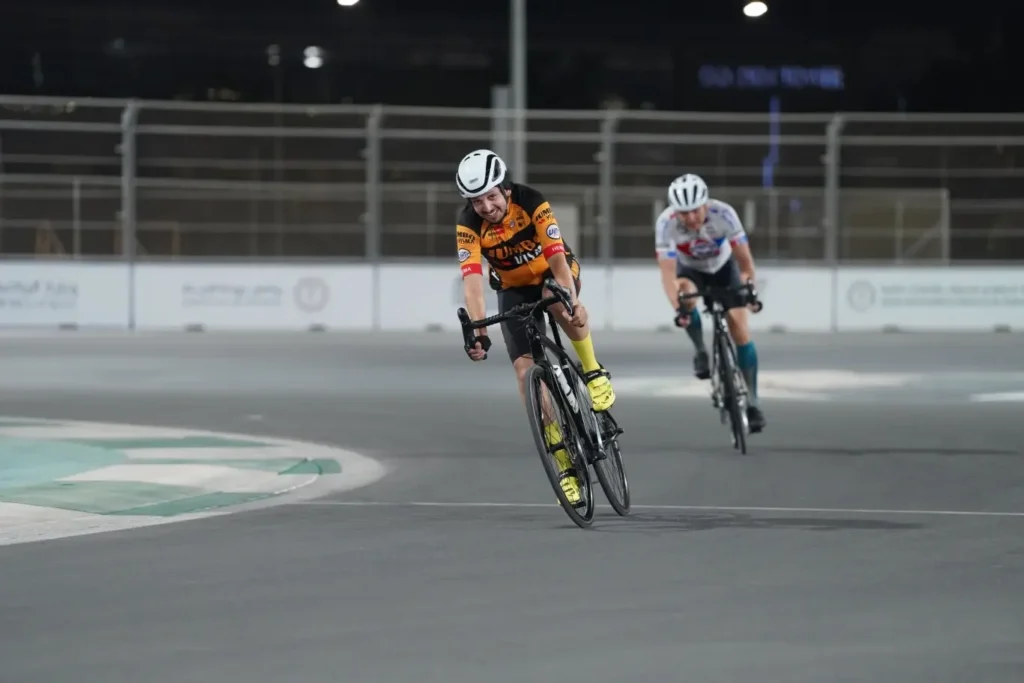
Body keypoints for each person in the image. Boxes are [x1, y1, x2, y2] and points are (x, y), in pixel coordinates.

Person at [455, 149, 616, 506]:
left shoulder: (531, 201)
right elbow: (472, 283)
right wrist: (479, 333)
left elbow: (557, 256)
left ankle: (592, 371)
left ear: (506, 190)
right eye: (476, 201)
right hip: (512, 289)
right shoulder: (468, 223)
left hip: (551, 272)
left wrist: (571, 299)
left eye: (491, 196)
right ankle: (564, 464)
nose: (485, 206)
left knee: (559, 301)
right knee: (523, 370)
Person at [654, 173, 766, 433]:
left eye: (695, 211)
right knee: (685, 296)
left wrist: (749, 290)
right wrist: (679, 308)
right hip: (690, 272)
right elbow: (668, 276)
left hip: (725, 269)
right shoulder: (665, 224)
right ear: (675, 212)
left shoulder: (724, 214)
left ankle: (753, 401)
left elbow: (746, 264)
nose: (691, 218)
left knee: (740, 332)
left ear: (706, 204)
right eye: (684, 213)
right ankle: (701, 351)